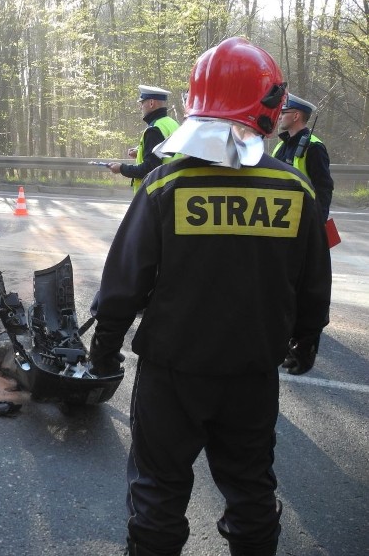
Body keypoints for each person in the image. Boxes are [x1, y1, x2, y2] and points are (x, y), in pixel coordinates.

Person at [89, 38, 332, 556]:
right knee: (250, 490)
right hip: (252, 372)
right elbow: (312, 280)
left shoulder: (164, 186)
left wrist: (105, 345)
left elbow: (124, 280)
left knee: (158, 490)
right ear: (268, 107)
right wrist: (306, 338)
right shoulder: (294, 190)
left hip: (172, 371)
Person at [271, 93, 334, 221]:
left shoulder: (314, 147)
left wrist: (318, 224)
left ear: (296, 116)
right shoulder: (281, 146)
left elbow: (323, 188)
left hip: (302, 218)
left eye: (283, 113)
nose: (279, 117)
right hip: (278, 217)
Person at [108, 85, 180, 192]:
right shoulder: (172, 123)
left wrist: (122, 168)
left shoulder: (154, 129)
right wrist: (141, 152)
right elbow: (166, 155)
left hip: (155, 194)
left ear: (151, 103)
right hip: (171, 188)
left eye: (142, 103)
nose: (140, 107)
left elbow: (149, 168)